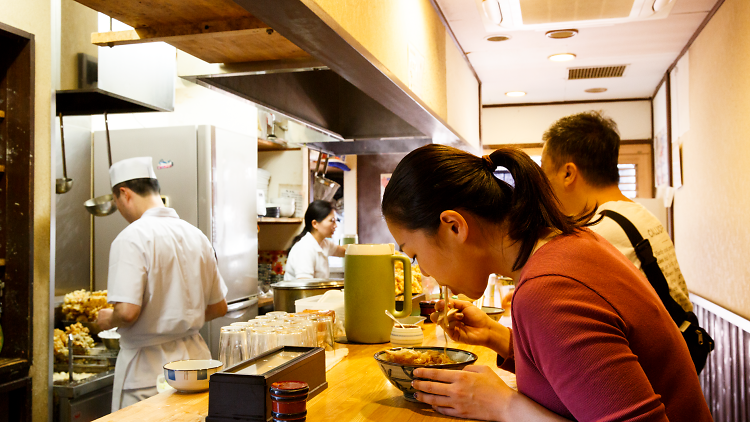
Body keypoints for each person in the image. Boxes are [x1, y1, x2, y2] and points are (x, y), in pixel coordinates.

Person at [381, 144, 712, 422]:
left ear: (453, 226)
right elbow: (582, 372)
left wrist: (505, 406)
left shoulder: (547, 290)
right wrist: (500, 338)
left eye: (413, 254)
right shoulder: (571, 242)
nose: (423, 270)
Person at [97, 157, 228, 411]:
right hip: (196, 368)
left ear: (124, 194)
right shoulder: (196, 235)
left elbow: (127, 312)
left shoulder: (131, 238)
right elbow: (219, 307)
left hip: (148, 376)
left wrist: (107, 319)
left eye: (116, 202)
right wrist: (181, 316)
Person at [540, 111, 693, 313]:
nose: (542, 184)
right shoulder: (638, 215)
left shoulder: (600, 233)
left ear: (568, 173)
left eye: (543, 171)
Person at [284, 200, 347, 280]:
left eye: (335, 221)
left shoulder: (324, 243)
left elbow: (345, 252)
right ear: (315, 224)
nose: (335, 226)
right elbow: (305, 285)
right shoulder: (305, 249)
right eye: (332, 221)